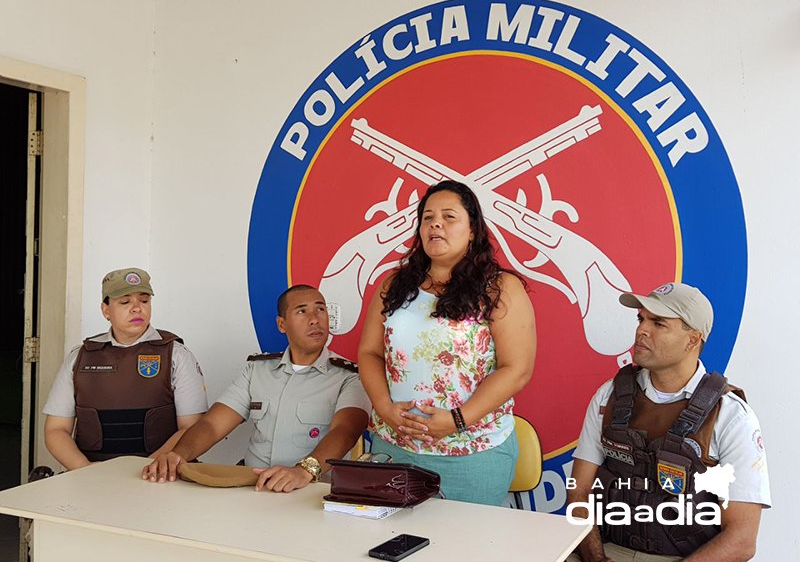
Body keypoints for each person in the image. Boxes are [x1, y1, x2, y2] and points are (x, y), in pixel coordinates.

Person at [358, 180, 537, 506]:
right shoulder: (393, 285)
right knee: (391, 548)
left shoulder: (500, 288)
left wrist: (457, 420)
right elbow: (369, 353)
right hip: (395, 445)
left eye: (449, 216)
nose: (435, 223)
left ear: (473, 230)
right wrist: (385, 409)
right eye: (427, 217)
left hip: (472, 451)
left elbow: (517, 370)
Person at [567, 282, 770, 562]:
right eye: (641, 319)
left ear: (692, 339)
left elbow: (742, 540)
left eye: (658, 323)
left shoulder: (730, 415)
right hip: (607, 550)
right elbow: (579, 492)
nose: (641, 330)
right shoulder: (609, 396)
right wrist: (596, 558)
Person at [142, 285, 371, 493]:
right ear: (282, 325)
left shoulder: (349, 376)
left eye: (320, 310)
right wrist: (178, 455)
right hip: (252, 488)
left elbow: (345, 432)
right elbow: (213, 425)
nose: (314, 319)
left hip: (309, 490)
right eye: (302, 311)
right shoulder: (257, 371)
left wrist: (305, 471)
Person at [42, 267, 208, 469]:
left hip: (159, 476)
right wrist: (84, 470)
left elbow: (191, 428)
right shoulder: (80, 357)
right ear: (106, 310)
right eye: (125, 302)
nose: (137, 308)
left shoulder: (176, 355)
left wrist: (144, 469)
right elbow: (56, 429)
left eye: (144, 301)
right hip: (91, 480)